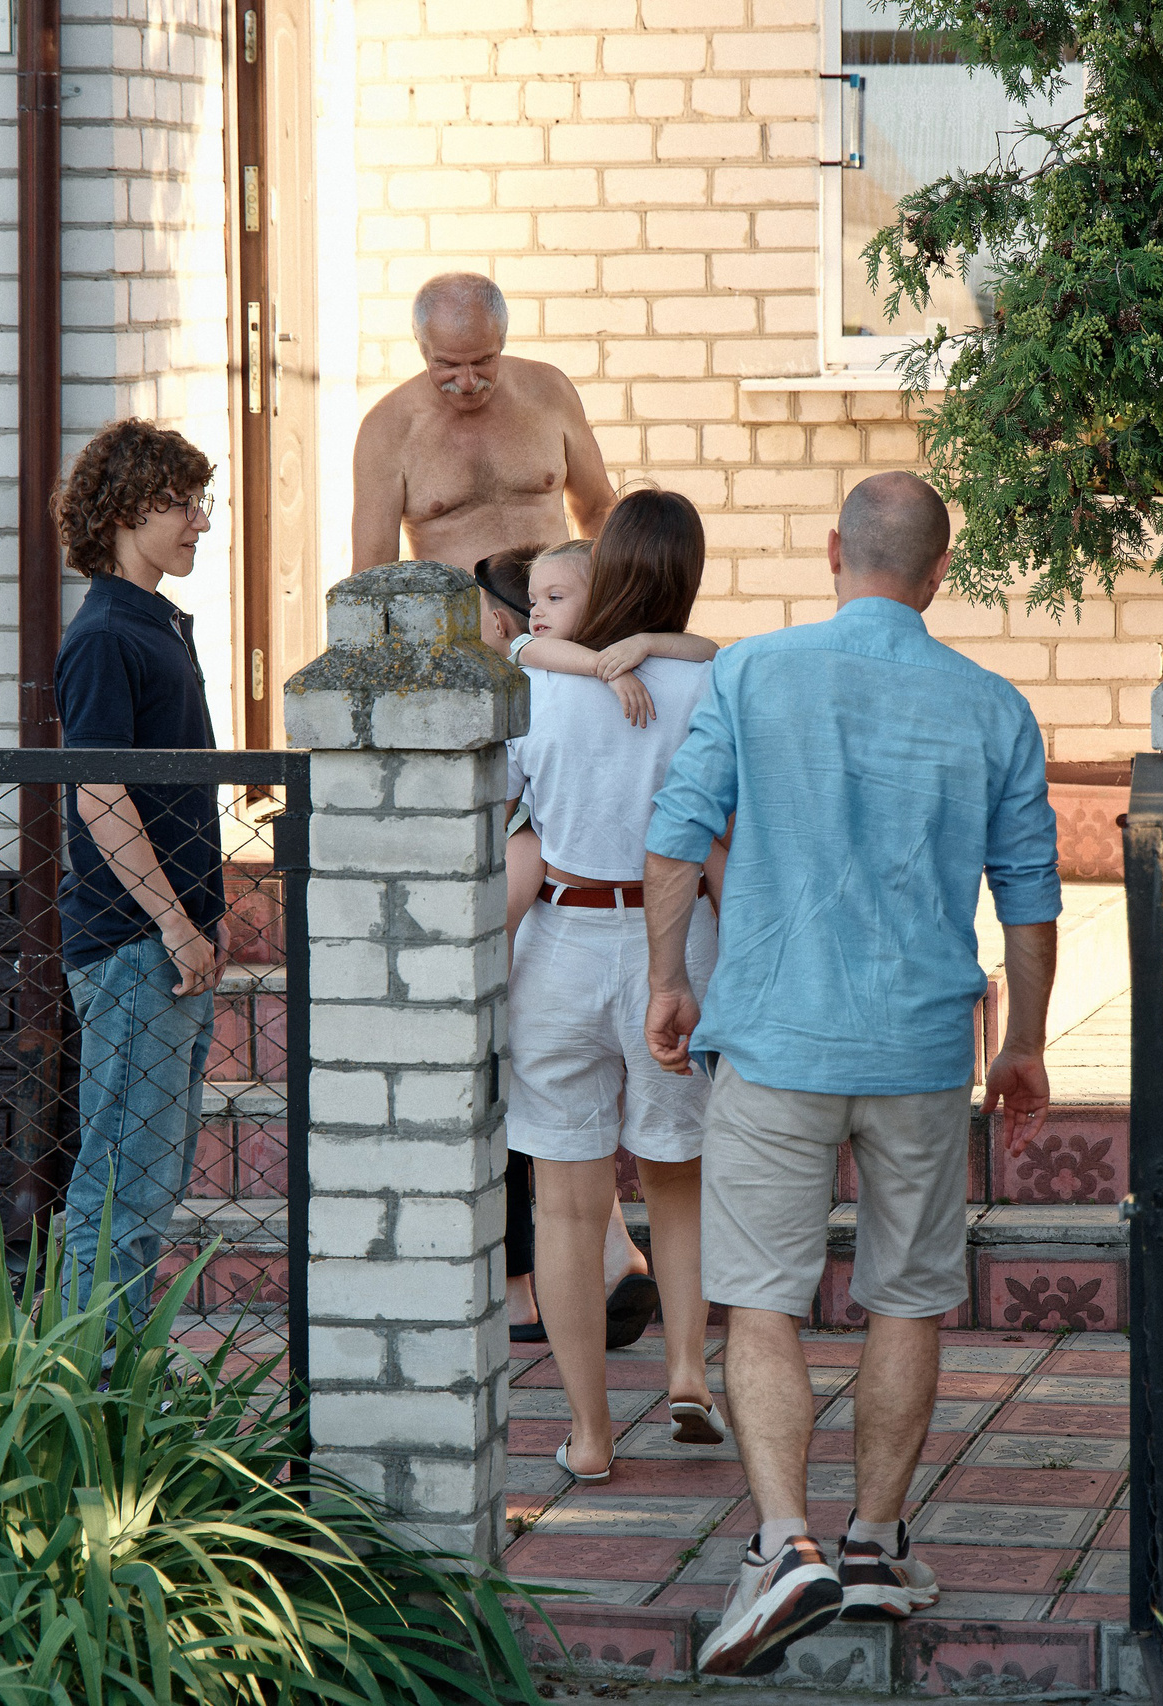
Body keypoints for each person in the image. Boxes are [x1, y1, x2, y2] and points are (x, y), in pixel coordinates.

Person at [640, 472, 1061, 1677]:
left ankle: (785, 1545)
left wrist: (669, 975)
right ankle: (872, 1544)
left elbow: (677, 831)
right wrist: (1024, 1040)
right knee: (906, 1294)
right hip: (921, 1048)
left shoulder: (750, 673)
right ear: (937, 575)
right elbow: (1026, 892)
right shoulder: (993, 706)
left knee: (761, 1298)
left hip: (774, 1035)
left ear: (834, 552)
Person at [506, 493, 730, 1485]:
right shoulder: (711, 682)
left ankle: (590, 1433)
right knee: (675, 1179)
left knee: (565, 1202)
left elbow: (512, 812)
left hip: (561, 933)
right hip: (674, 941)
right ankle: (687, 1372)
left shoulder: (537, 683)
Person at [50, 419, 228, 1321]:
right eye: (179, 504)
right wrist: (173, 921)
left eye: (201, 502)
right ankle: (93, 1381)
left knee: (146, 1179)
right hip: (132, 948)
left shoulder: (154, 624)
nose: (200, 521)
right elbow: (98, 795)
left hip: (168, 940)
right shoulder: (106, 636)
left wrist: (198, 921)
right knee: (121, 1181)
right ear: (124, 511)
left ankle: (112, 1371)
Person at [477, 543, 664, 1349]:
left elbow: (521, 876)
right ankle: (621, 1262)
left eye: (558, 595)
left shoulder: (537, 701)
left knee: (557, 1161)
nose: (531, 613)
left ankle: (542, 1293)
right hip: (619, 935)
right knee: (590, 1156)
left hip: (566, 939)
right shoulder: (554, 678)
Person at [352, 272, 615, 572]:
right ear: (422, 347)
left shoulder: (549, 391)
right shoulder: (387, 428)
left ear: (501, 341)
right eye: (447, 364)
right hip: (456, 619)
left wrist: (610, 609)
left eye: (483, 361)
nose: (467, 382)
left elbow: (598, 510)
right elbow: (371, 575)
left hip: (557, 615)